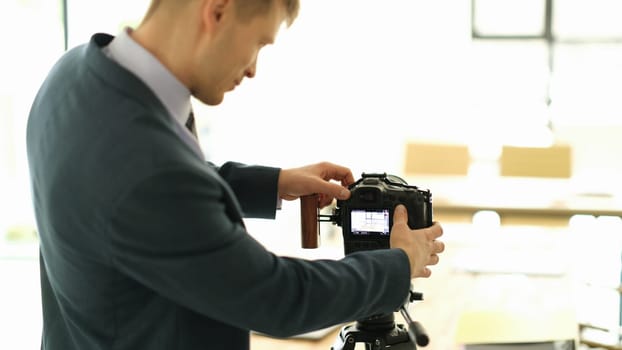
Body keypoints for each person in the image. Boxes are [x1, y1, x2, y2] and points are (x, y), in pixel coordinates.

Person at [26, 0, 445, 349]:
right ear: (218, 11)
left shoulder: (75, 75)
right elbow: (277, 298)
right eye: (260, 43)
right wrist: (400, 264)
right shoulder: (151, 174)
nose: (252, 70)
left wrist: (274, 183)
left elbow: (133, 193)